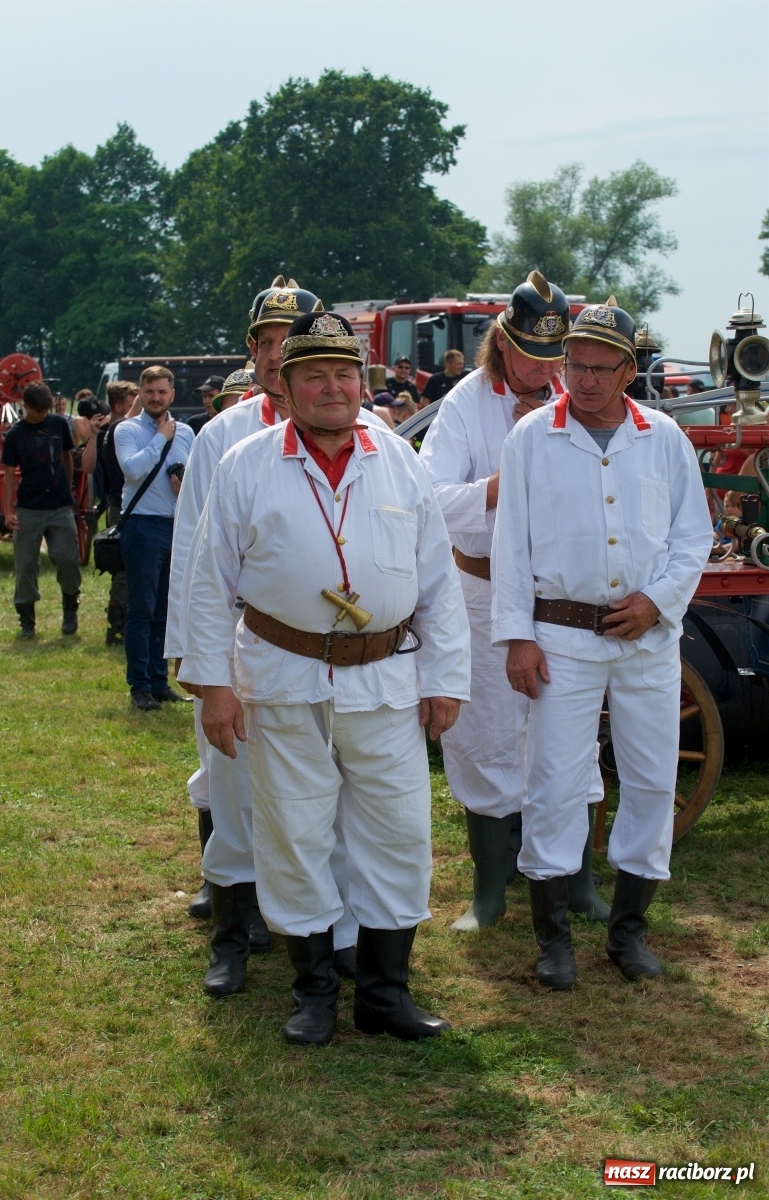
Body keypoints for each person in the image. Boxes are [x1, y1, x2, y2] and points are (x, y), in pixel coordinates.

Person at [179, 312, 471, 1046]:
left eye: (345, 374)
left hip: (386, 681)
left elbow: (438, 579)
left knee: (399, 832)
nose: (332, 388)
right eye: (314, 374)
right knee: (295, 831)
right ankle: (312, 993)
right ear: (286, 384)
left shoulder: (401, 459)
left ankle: (384, 992)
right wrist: (213, 683)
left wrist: (447, 677)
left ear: (363, 383)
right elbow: (210, 581)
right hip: (283, 677)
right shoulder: (246, 462)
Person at [167, 280, 389, 977]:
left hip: (336, 652)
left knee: (335, 800)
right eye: (265, 343)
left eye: (286, 342)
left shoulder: (368, 433)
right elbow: (192, 557)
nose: (272, 355)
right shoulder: (224, 437)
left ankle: (341, 938)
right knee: (231, 794)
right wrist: (200, 664)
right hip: (240, 644)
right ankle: (233, 936)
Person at [490, 297, 713, 989]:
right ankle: (553, 940)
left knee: (651, 779)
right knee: (554, 782)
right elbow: (509, 545)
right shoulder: (532, 437)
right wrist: (516, 637)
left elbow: (692, 535)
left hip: (646, 640)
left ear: (629, 369)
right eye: (574, 365)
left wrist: (656, 601)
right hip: (561, 636)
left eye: (599, 368)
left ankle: (629, 932)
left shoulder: (665, 437)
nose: (583, 380)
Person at [421, 271, 608, 933]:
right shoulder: (465, 405)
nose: (545, 370)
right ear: (501, 342)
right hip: (481, 589)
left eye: (555, 357)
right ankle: (490, 890)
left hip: (560, 599)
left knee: (571, 734)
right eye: (532, 353)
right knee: (487, 732)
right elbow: (431, 499)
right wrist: (505, 479)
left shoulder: (579, 401)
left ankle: (576, 882)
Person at [114, 366, 194, 711]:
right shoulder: (127, 430)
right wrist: (161, 437)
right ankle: (140, 685)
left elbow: (195, 479)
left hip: (175, 526)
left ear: (171, 395)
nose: (156, 398)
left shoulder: (188, 432)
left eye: (162, 392)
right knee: (142, 609)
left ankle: (160, 682)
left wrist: (183, 483)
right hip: (142, 527)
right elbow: (132, 469)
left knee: (165, 610)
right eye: (150, 392)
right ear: (140, 396)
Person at [2, 381, 83, 638]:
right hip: (29, 507)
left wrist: (68, 489)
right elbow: (7, 475)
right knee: (26, 564)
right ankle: (27, 619)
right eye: (38, 412)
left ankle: (70, 608)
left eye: (46, 410)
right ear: (25, 407)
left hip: (59, 504)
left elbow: (67, 457)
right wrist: (7, 512)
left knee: (68, 558)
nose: (42, 415)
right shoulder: (15, 434)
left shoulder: (59, 424)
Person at [80, 381, 140, 643]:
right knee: (125, 570)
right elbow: (92, 468)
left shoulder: (112, 431)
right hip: (122, 509)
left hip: (117, 506)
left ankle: (122, 623)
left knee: (125, 570)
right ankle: (117, 626)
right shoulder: (116, 431)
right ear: (120, 406)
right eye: (132, 403)